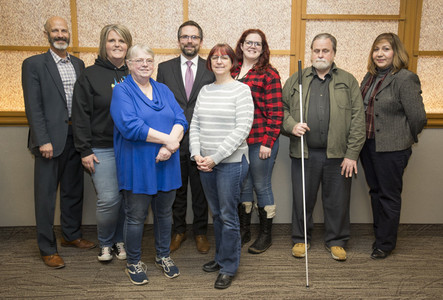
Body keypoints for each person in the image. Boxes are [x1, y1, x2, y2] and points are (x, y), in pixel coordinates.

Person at [282, 33, 365, 261]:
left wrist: (352, 154)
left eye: (325, 50)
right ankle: (301, 238)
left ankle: (336, 241)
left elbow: (359, 118)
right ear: (311, 53)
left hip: (338, 154)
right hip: (304, 153)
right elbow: (281, 109)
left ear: (333, 53)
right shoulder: (296, 78)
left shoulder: (348, 81)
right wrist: (291, 125)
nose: (320, 54)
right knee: (302, 199)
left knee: (337, 201)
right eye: (316, 50)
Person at [110, 44, 188, 285]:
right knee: (135, 216)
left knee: (165, 214)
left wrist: (169, 146)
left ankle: (163, 256)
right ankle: (133, 262)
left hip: (167, 162)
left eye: (149, 61)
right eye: (139, 60)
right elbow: (130, 126)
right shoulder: (122, 91)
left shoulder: (163, 89)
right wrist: (170, 140)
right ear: (129, 64)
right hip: (138, 164)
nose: (144, 64)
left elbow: (180, 118)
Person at [22, 16, 95, 269]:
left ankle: (71, 236)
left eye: (64, 30)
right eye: (55, 30)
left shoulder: (79, 63)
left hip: (76, 137)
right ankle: (47, 248)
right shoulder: (33, 64)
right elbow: (33, 106)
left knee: (73, 191)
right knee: (45, 197)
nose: (61, 34)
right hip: (49, 142)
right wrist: (43, 140)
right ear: (47, 34)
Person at [190, 43, 254, 289]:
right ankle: (220, 257)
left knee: (228, 216)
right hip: (205, 163)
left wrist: (215, 157)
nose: (219, 61)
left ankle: (229, 266)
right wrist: (197, 154)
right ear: (210, 63)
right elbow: (195, 124)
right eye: (215, 57)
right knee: (215, 213)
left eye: (224, 58)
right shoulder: (205, 90)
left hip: (231, 163)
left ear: (232, 62)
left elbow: (242, 129)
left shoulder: (241, 90)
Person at [359, 33, 427, 259]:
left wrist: (404, 141)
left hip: (392, 150)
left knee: (389, 195)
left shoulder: (405, 78)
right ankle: (380, 236)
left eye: (386, 49)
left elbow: (418, 117)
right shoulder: (369, 77)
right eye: (376, 49)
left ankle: (385, 244)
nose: (380, 54)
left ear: (396, 52)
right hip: (368, 147)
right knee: (376, 192)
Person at [72, 24, 132, 262]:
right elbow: (80, 114)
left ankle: (120, 240)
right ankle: (106, 242)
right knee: (109, 198)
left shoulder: (135, 73)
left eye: (122, 41)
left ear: (128, 45)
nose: (117, 45)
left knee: (127, 199)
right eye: (112, 41)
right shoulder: (89, 75)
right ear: (103, 44)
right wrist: (84, 149)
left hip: (130, 147)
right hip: (101, 148)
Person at [157, 20, 215, 254]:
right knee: (177, 189)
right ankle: (178, 231)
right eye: (185, 37)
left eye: (194, 37)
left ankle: (200, 232)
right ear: (179, 40)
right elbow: (159, 105)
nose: (189, 41)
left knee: (201, 190)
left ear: (201, 41)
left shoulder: (212, 68)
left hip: (203, 140)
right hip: (173, 140)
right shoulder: (164, 68)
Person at [232, 29, 283, 254]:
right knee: (242, 186)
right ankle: (244, 231)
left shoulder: (269, 74)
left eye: (258, 44)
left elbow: (276, 112)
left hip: (260, 140)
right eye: (249, 42)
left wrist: (268, 142)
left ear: (263, 49)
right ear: (241, 45)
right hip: (237, 142)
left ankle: (265, 235)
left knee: (261, 186)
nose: (253, 46)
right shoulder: (231, 71)